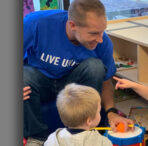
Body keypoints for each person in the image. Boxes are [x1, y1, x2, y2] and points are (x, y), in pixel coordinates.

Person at [23, 0, 133, 144]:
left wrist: (111, 112)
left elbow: (106, 81)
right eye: (94, 33)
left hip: (71, 87)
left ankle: (88, 130)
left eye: (102, 31)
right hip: (39, 81)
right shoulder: (35, 23)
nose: (100, 39)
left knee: (95, 67)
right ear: (72, 25)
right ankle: (37, 138)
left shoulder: (103, 42)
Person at [44, 83, 113, 146]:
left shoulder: (52, 139)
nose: (100, 113)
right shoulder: (102, 142)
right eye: (99, 111)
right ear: (89, 121)